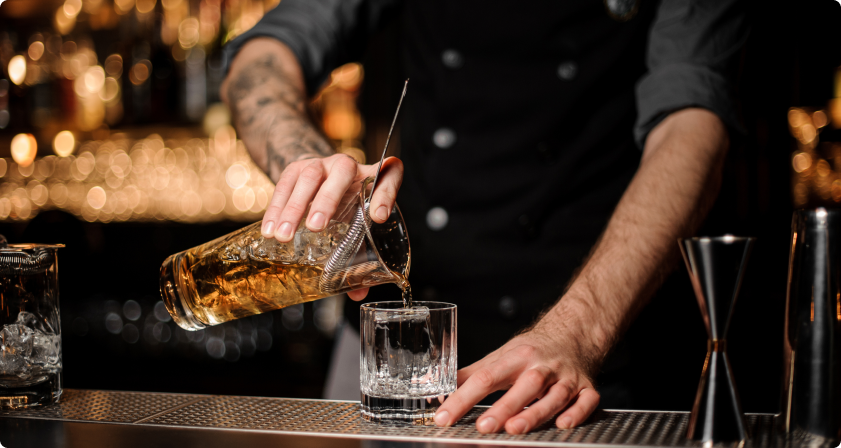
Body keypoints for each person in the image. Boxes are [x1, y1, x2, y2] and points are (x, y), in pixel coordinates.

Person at [221, 0, 748, 435]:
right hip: (394, 362)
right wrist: (307, 163)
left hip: (590, 351)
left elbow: (693, 122)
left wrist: (579, 332)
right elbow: (263, 55)